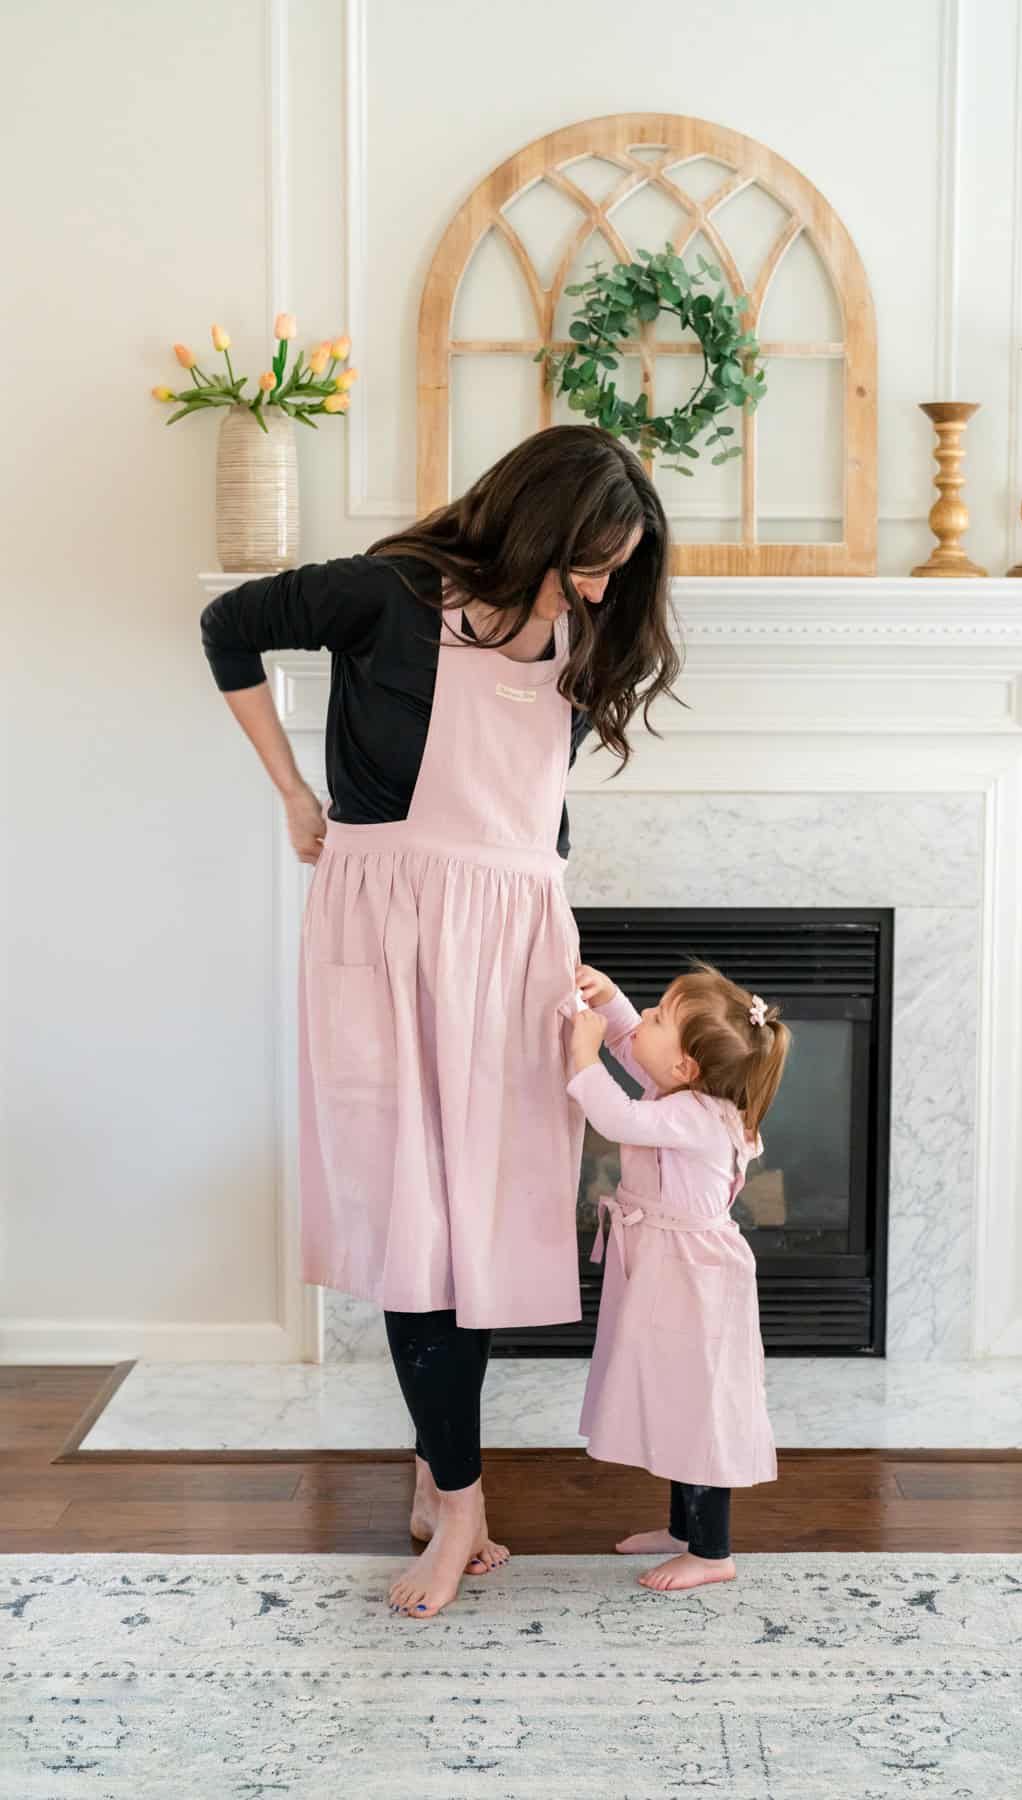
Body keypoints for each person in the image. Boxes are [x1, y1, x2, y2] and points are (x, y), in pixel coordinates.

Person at [200, 425, 678, 1618]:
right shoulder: (389, 594)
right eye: (590, 560)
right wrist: (296, 797)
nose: (603, 587)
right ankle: (461, 1501)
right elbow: (228, 626)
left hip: (515, 940)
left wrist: (565, 955)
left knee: (491, 1228)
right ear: (534, 525)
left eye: (618, 567)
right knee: (415, 1224)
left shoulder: (580, 626)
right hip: (387, 931)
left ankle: (436, 1477)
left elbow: (539, 826)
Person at [567, 960, 790, 1592]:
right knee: (673, 1399)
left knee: (697, 1408)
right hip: (668, 1269)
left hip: (693, 1279)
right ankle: (683, 1528)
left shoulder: (694, 1115)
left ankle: (712, 1551)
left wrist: (581, 1058)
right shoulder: (685, 1091)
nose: (645, 1020)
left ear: (688, 1067)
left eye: (659, 1016)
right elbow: (631, 1045)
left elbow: (615, 1119)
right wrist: (611, 1001)